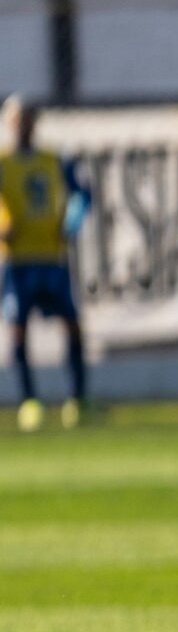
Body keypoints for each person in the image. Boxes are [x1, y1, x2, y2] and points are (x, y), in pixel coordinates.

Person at [0, 98, 93, 431]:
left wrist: (70, 223)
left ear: (34, 123)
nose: (22, 124)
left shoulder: (53, 159)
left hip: (51, 257)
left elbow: (83, 194)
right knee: (18, 329)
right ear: (8, 123)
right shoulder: (3, 162)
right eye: (16, 119)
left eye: (27, 119)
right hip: (16, 260)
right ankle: (29, 402)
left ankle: (76, 401)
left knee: (72, 325)